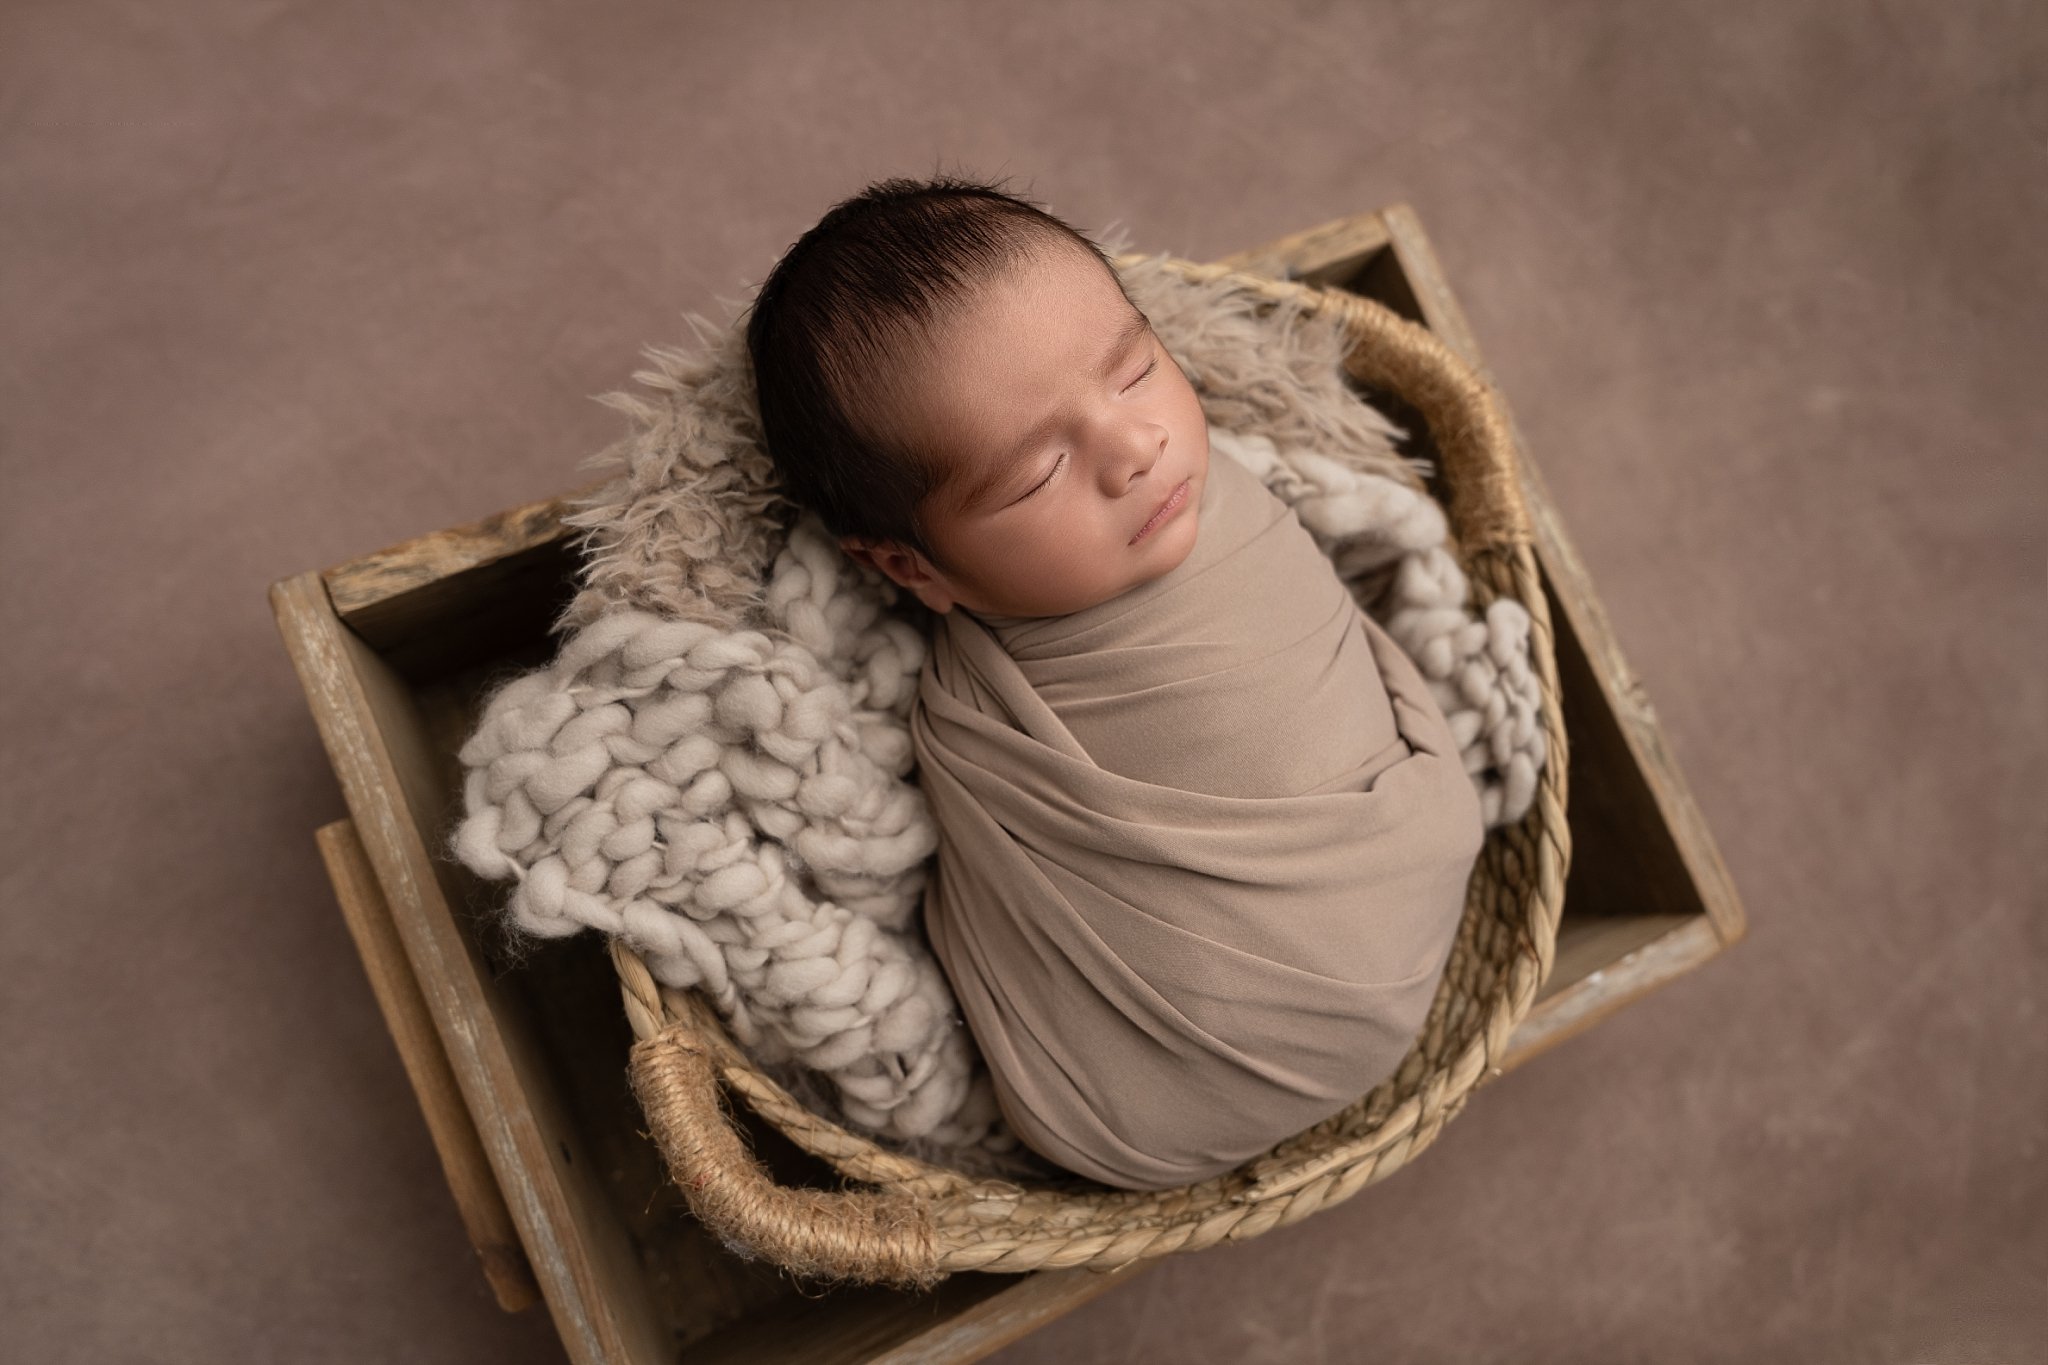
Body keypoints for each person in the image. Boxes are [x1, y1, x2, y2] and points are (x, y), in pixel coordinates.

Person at [745, 176, 1484, 1190]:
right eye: (1033, 475)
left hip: (1399, 898)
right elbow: (996, 890)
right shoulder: (976, 724)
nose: (1135, 451)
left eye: (1134, 369)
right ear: (913, 570)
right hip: (1155, 1087)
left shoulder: (1226, 479)